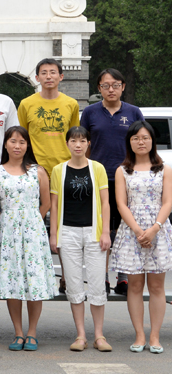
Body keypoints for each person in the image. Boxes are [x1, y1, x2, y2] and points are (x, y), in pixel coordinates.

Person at [0, 126, 55, 352]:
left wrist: (32, 219)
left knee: (34, 281)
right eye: (13, 141)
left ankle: (32, 332)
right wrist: (6, 218)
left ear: (28, 146)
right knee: (12, 282)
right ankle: (18, 332)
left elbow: (46, 202)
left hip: (33, 232)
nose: (17, 146)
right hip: (7, 233)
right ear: (5, 144)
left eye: (22, 142)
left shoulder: (38, 171)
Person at [18, 57, 80, 294]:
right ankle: (33, 276)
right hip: (35, 171)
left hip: (65, 171)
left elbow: (75, 138)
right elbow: (21, 138)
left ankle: (67, 277)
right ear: (37, 78)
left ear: (61, 76)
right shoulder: (26, 104)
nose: (48, 76)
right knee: (34, 225)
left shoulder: (71, 104)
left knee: (65, 228)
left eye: (53, 72)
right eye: (43, 73)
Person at [80, 68, 144, 296]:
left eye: (116, 85)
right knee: (102, 229)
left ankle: (123, 278)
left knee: (126, 228)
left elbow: (141, 142)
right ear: (99, 88)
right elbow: (83, 144)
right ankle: (103, 277)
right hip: (99, 178)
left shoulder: (134, 112)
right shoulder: (90, 112)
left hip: (127, 177)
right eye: (105, 85)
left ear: (123, 87)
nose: (111, 89)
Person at [110, 121, 172, 354]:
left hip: (159, 231)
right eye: (136, 138)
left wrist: (155, 228)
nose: (141, 142)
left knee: (156, 287)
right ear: (130, 142)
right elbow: (121, 204)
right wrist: (137, 231)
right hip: (131, 232)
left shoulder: (164, 169)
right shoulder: (122, 170)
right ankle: (139, 334)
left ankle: (154, 336)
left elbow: (168, 202)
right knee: (134, 286)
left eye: (145, 137)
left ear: (152, 140)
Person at [49, 126, 112, 352]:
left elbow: (105, 202)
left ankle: (99, 336)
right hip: (68, 232)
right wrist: (54, 234)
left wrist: (105, 232)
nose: (78, 145)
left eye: (82, 140)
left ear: (88, 143)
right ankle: (81, 335)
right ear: (67, 144)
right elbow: (54, 205)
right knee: (74, 284)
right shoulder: (58, 170)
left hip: (94, 232)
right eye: (74, 141)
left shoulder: (97, 168)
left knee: (97, 284)